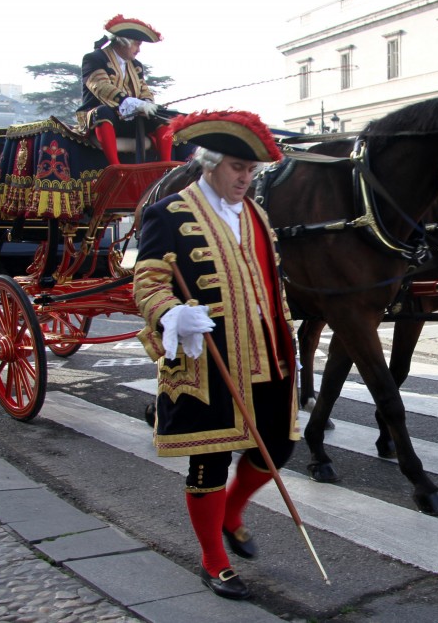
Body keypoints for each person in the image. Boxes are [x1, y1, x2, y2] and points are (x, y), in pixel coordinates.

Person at [133, 111, 299, 601]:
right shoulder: (167, 214)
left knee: (279, 447)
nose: (246, 179)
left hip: (267, 355)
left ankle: (232, 511)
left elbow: (273, 286)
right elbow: (147, 282)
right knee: (208, 463)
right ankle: (213, 559)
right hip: (207, 360)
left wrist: (287, 341)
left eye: (252, 170)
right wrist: (170, 315)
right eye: (237, 168)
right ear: (209, 164)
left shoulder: (258, 215)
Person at [77, 15, 173, 166]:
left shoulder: (136, 65)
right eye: (137, 45)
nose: (139, 50)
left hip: (130, 119)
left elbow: (144, 90)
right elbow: (101, 87)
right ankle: (116, 167)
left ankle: (165, 166)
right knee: (103, 112)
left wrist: (147, 103)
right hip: (100, 119)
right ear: (124, 41)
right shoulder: (94, 58)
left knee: (162, 115)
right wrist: (133, 103)